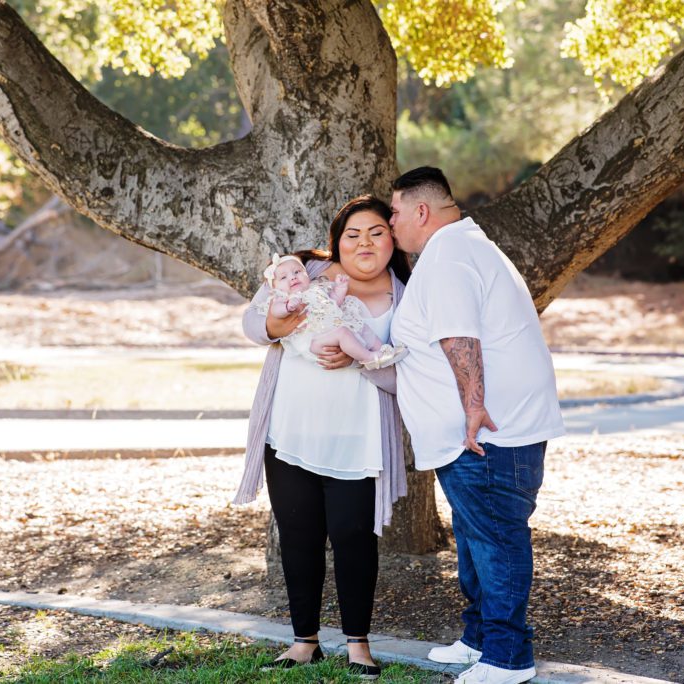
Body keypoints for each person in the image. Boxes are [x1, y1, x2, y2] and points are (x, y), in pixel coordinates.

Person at [388, 167, 565, 684]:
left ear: (422, 211)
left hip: (487, 434)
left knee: (497, 539)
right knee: (474, 536)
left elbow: (459, 339)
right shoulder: (462, 248)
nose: (392, 224)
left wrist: (473, 408)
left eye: (395, 213)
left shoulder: (447, 256)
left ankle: (509, 658)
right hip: (480, 434)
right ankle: (479, 639)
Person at [233, 195, 411, 680]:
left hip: (358, 441)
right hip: (289, 432)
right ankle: (303, 641)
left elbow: (407, 377)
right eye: (352, 234)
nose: (365, 242)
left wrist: (358, 358)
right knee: (298, 534)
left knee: (355, 537)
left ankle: (358, 644)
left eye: (376, 231)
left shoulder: (407, 296)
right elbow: (253, 323)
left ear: (392, 238)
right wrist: (277, 322)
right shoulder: (306, 275)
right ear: (336, 243)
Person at [262, 253, 408, 369]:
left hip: (328, 329)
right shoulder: (281, 299)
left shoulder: (316, 290)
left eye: (297, 272)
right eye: (283, 277)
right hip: (313, 340)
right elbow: (275, 312)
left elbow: (332, 304)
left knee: (360, 327)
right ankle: (368, 358)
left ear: (306, 274)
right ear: (275, 288)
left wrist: (339, 289)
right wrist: (287, 307)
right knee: (343, 333)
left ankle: (383, 351)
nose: (292, 277)